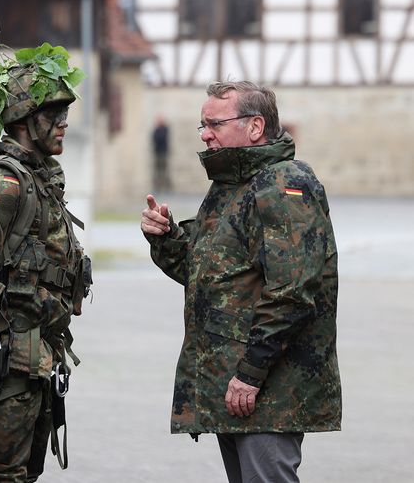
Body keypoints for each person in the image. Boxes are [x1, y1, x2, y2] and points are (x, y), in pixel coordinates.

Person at [140, 80, 340, 483]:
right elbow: (212, 278)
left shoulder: (284, 184)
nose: (206, 134)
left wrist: (250, 373)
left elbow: (292, 292)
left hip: (268, 388)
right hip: (234, 384)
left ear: (255, 126)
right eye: (202, 125)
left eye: (214, 123)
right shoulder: (231, 186)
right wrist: (167, 240)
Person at [0, 44, 91, 482]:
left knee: (23, 471)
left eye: (63, 114)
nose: (63, 124)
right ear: (22, 120)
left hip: (40, 353)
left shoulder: (40, 179)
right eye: (52, 115)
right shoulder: (4, 183)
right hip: (11, 355)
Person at [152, 115, 171, 192]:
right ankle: (158, 186)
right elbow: (154, 138)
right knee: (157, 170)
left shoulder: (164, 129)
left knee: (164, 169)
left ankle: (165, 186)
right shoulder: (157, 130)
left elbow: (161, 138)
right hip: (157, 152)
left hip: (163, 152)